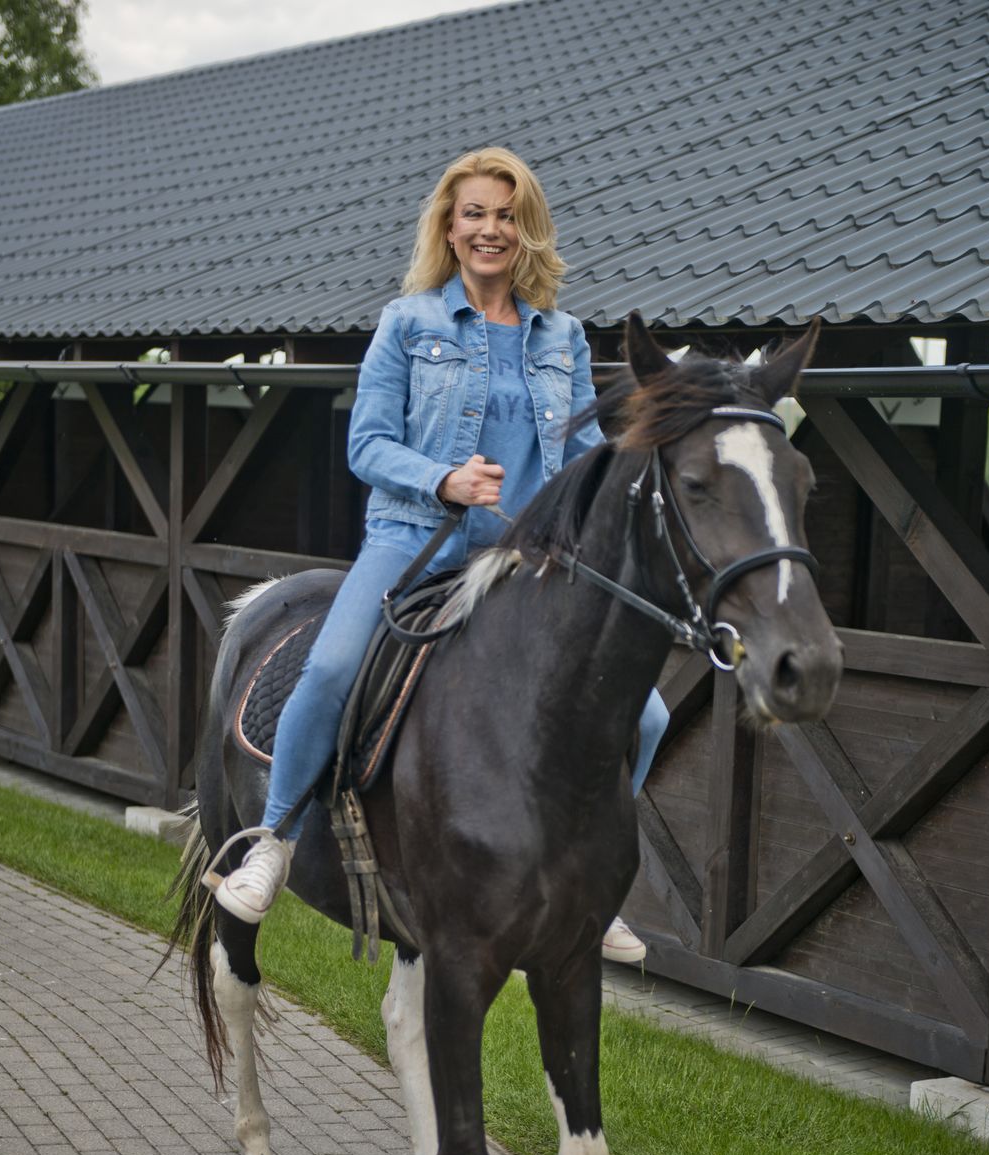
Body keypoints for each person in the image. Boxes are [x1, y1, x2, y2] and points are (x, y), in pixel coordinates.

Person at [214, 147, 668, 962]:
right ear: (450, 231)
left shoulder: (561, 335)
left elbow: (583, 450)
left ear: (526, 231)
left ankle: (587, 878)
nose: (490, 228)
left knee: (650, 713)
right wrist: (445, 479)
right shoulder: (408, 322)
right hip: (414, 543)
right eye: (475, 214)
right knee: (328, 668)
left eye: (506, 214)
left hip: (528, 561)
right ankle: (272, 842)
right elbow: (368, 444)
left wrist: (625, 483)